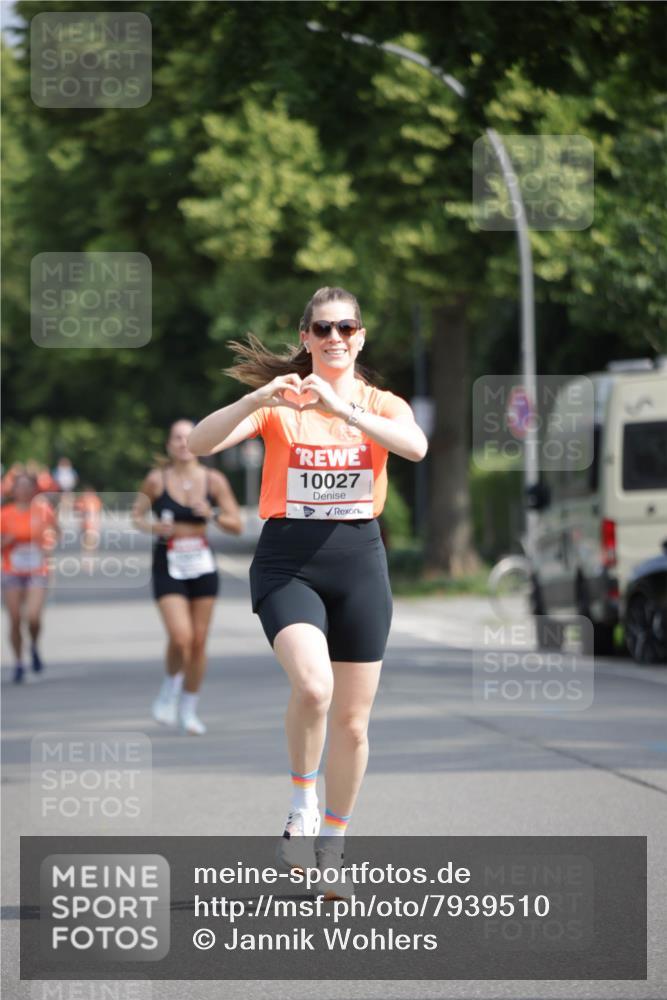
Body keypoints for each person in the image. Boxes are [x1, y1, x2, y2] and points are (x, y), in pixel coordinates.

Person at [188, 286, 428, 897]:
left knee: (353, 724)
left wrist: (344, 410)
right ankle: (302, 807)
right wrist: (259, 396)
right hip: (289, 563)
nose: (335, 338)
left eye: (346, 328)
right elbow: (198, 444)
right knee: (315, 687)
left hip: (360, 563)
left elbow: (415, 446)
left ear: (360, 337)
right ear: (306, 337)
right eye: (323, 329)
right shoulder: (281, 404)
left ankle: (333, 850)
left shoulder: (380, 404)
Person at [133, 420, 243, 735]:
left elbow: (236, 524)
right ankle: (170, 689)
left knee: (198, 643)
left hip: (202, 564)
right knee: (180, 637)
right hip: (168, 562)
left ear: (200, 443)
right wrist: (154, 527)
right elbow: (136, 516)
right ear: (169, 445)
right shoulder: (156, 480)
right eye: (177, 438)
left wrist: (212, 514)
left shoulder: (213, 480)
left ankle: (189, 709)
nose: (183, 443)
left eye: (189, 437)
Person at [1, 473, 59, 683]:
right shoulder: (5, 514)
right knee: (15, 618)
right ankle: (18, 662)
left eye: (28, 486)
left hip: (37, 570)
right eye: (20, 486)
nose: (24, 490)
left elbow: (56, 533)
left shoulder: (43, 511)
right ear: (13, 490)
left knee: (33, 617)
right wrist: (6, 541)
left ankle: (33, 645)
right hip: (12, 571)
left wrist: (48, 544)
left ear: (34, 490)